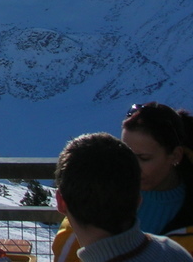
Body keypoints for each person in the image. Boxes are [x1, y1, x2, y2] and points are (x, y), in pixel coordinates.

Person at [53, 103, 193, 261]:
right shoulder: (102, 189)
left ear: (175, 156)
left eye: (144, 158)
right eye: (125, 154)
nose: (131, 165)